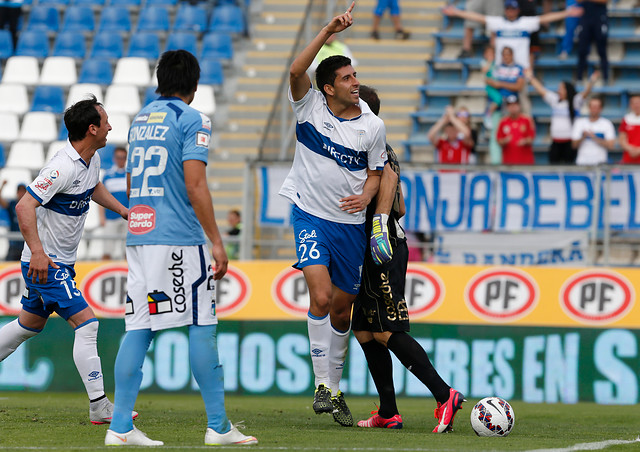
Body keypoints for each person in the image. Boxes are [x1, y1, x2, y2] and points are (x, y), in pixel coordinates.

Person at [105, 50, 258, 447]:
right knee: (201, 324)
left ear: (159, 81)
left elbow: (129, 175)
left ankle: (120, 426)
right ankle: (219, 426)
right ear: (194, 84)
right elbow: (195, 185)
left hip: (139, 234)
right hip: (177, 238)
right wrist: (217, 240)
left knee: (139, 326)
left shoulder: (140, 119)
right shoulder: (191, 119)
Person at [278, 2, 387, 427]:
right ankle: (322, 385)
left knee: (342, 311)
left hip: (350, 228)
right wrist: (327, 30)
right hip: (310, 214)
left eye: (355, 76)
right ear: (327, 88)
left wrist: (366, 195)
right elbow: (293, 71)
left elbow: (376, 173)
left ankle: (334, 390)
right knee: (320, 297)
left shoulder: (372, 126)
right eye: (346, 78)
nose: (355, 83)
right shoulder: (309, 108)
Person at [0, 95, 132, 425]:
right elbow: (23, 207)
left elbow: (93, 187)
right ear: (92, 129)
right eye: (105, 122)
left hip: (60, 262)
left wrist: (122, 210)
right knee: (88, 324)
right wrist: (40, 253)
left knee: (27, 326)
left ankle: (100, 406)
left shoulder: (91, 161)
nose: (110, 127)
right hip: (46, 263)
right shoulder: (60, 166)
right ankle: (99, 406)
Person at [354, 85, 465, 433]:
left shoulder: (371, 143)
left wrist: (377, 226)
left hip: (380, 247)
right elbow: (402, 206)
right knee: (364, 331)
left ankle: (444, 394)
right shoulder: (378, 145)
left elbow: (389, 186)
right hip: (375, 246)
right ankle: (388, 412)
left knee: (386, 330)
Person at [443, 1, 583, 70]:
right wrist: (457, 12)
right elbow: (477, 17)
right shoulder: (498, 22)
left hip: (519, 72)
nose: (510, 11)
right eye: (508, 8)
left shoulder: (525, 22)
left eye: (513, 8)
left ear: (518, 10)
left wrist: (566, 13)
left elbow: (546, 18)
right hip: (501, 71)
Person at [526, 69, 599, 164]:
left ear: (567, 90)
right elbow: (541, 90)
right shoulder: (555, 100)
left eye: (561, 88)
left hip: (569, 143)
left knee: (569, 168)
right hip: (556, 142)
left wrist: (592, 81)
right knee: (553, 167)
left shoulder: (575, 101)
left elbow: (586, 92)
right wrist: (531, 78)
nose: (558, 90)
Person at [99, 146, 128, 260]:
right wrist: (102, 217)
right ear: (114, 158)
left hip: (127, 217)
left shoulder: (129, 175)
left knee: (127, 251)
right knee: (107, 250)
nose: (121, 160)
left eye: (123, 157)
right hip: (111, 217)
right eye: (118, 157)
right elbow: (102, 197)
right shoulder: (107, 175)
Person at [571, 96, 616, 165]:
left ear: (601, 108)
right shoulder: (579, 123)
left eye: (596, 107)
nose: (594, 109)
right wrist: (583, 137)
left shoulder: (607, 124)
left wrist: (594, 137)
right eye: (592, 106)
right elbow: (574, 145)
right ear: (589, 107)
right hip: (582, 162)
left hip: (600, 163)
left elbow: (611, 145)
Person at [496, 95, 536, 164]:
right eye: (510, 105)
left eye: (515, 105)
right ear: (507, 107)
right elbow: (499, 140)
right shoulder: (503, 122)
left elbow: (531, 138)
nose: (513, 108)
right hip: (508, 162)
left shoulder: (527, 120)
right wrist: (505, 141)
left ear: (519, 106)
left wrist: (525, 141)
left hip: (525, 162)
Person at [576, 0, 609, 84]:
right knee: (582, 50)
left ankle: (605, 77)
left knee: (602, 50)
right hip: (586, 18)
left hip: (599, 18)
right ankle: (579, 77)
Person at [0, 181, 26, 261]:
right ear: (17, 192)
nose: (21, 193)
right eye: (19, 191)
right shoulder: (12, 204)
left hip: (26, 244)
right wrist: (2, 186)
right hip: (13, 244)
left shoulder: (30, 206)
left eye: (23, 191)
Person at [619, 94, 640, 164]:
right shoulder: (626, 119)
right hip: (629, 159)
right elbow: (622, 139)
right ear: (630, 105)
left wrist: (638, 150)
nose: (637, 105)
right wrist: (631, 149)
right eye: (634, 103)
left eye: (638, 103)